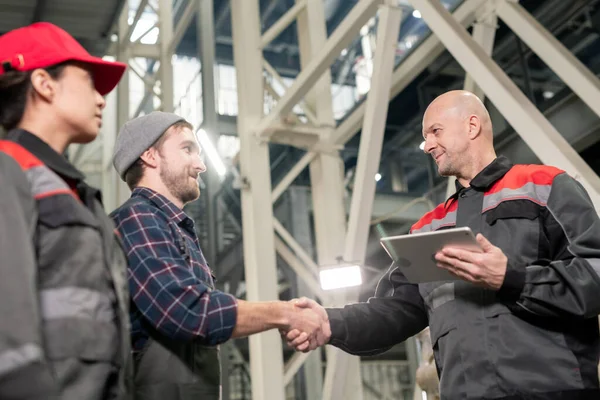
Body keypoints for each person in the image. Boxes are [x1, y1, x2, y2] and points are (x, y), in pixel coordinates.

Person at [286, 90, 600, 400]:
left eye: (436, 132)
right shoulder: (428, 228)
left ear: (472, 126)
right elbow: (393, 311)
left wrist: (512, 279)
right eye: (426, 136)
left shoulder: (545, 187)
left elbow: (594, 275)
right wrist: (330, 323)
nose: (427, 145)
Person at [109, 111, 325, 400]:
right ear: (149, 156)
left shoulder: (172, 227)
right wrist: (285, 314)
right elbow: (186, 310)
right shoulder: (137, 219)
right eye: (187, 149)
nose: (201, 165)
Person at [0, 22, 132, 399]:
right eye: (90, 81)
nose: (102, 99)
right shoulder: (9, 171)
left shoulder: (74, 193)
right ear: (44, 83)